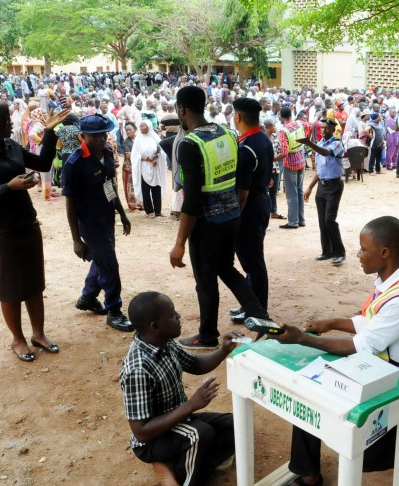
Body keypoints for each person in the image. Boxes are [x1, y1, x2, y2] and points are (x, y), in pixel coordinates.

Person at [269, 216, 399, 486]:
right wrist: (332, 323)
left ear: (385, 253)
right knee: (311, 393)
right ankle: (308, 474)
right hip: (375, 368)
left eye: (363, 249)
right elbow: (372, 323)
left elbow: (363, 345)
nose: (358, 254)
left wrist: (301, 339)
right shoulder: (390, 282)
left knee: (367, 458)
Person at [0, 101, 69, 361]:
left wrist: (49, 132)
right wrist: (8, 187)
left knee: (34, 282)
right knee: (9, 287)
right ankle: (18, 340)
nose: (11, 123)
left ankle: (38, 334)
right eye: (6, 120)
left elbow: (43, 163)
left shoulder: (10, 145)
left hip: (25, 221)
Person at [169, 86, 269, 349]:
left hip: (206, 224)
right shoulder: (227, 133)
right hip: (232, 216)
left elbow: (192, 200)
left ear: (182, 109)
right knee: (227, 269)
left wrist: (180, 242)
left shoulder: (190, 144)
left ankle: (207, 336)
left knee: (205, 281)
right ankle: (262, 318)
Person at [120, 291, 238, 486]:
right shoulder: (138, 369)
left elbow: (195, 364)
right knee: (200, 434)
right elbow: (141, 432)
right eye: (172, 314)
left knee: (234, 425)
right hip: (152, 439)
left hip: (179, 420)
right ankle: (181, 480)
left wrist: (224, 350)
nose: (179, 316)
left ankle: (171, 466)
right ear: (155, 326)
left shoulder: (164, 342)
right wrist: (191, 405)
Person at [63, 114, 134, 332]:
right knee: (109, 265)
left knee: (102, 259)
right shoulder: (74, 163)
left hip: (107, 218)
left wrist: (121, 213)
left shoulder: (108, 153)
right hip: (90, 223)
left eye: (103, 134)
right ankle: (114, 311)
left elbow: (109, 185)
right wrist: (76, 239)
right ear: (82, 136)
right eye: (94, 136)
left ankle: (87, 297)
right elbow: (70, 204)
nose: (100, 139)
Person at [229, 97, 274, 324]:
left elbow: (242, 194)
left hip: (250, 209)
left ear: (238, 117)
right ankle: (250, 304)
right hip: (262, 202)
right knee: (252, 260)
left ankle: (257, 310)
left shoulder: (246, 147)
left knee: (253, 262)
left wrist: (234, 219)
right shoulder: (263, 138)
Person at [298, 117, 346, 266]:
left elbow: (327, 153)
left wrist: (309, 143)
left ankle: (340, 253)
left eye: (326, 128)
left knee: (329, 220)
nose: (323, 130)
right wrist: (310, 187)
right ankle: (327, 251)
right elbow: (320, 170)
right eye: (322, 127)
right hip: (322, 186)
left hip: (334, 186)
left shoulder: (337, 143)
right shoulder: (319, 143)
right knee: (322, 222)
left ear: (333, 129)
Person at [277, 107, 306, 229]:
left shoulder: (283, 131)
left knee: (292, 193)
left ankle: (293, 221)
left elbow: (284, 153)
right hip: (301, 161)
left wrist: (272, 159)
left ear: (281, 117)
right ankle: (301, 219)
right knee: (299, 191)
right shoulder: (299, 124)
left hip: (290, 164)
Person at [132, 120, 167, 218]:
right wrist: (147, 159)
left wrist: (155, 157)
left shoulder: (155, 138)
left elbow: (161, 151)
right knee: (145, 189)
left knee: (156, 188)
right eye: (140, 126)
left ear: (148, 127)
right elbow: (134, 155)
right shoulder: (138, 140)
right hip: (144, 167)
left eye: (143, 126)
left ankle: (158, 211)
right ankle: (149, 211)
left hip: (155, 166)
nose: (140, 128)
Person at [264, 119, 284, 220]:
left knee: (274, 191)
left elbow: (280, 152)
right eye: (273, 126)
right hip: (265, 169)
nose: (275, 127)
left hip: (275, 168)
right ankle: (265, 211)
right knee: (264, 192)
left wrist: (273, 158)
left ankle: (274, 211)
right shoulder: (263, 139)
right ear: (269, 127)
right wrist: (274, 158)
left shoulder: (276, 138)